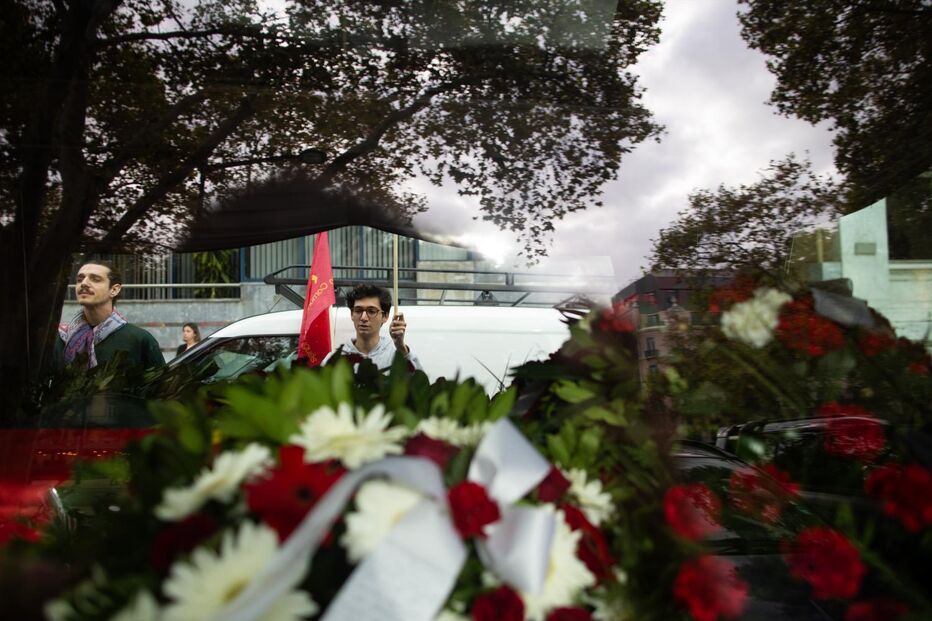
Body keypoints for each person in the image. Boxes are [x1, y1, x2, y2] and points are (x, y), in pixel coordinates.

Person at [52, 261, 165, 370]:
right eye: (79, 279)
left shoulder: (139, 339)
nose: (84, 283)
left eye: (95, 279)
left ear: (114, 290)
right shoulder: (58, 338)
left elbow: (161, 381)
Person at [322, 283, 422, 372]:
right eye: (358, 310)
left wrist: (401, 347)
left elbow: (420, 383)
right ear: (352, 314)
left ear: (385, 316)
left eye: (371, 311)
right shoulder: (335, 359)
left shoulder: (396, 356)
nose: (363, 317)